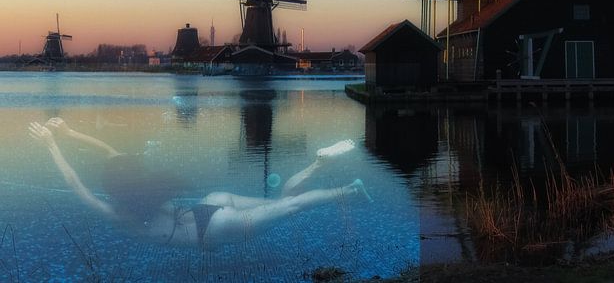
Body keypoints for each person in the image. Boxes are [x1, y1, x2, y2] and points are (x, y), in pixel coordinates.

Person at [28, 118, 371, 249]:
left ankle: (350, 191)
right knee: (282, 199)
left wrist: (53, 146)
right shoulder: (147, 188)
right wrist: (70, 133)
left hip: (215, 228)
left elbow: (76, 184)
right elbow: (111, 152)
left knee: (291, 205)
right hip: (210, 203)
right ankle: (318, 163)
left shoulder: (121, 214)